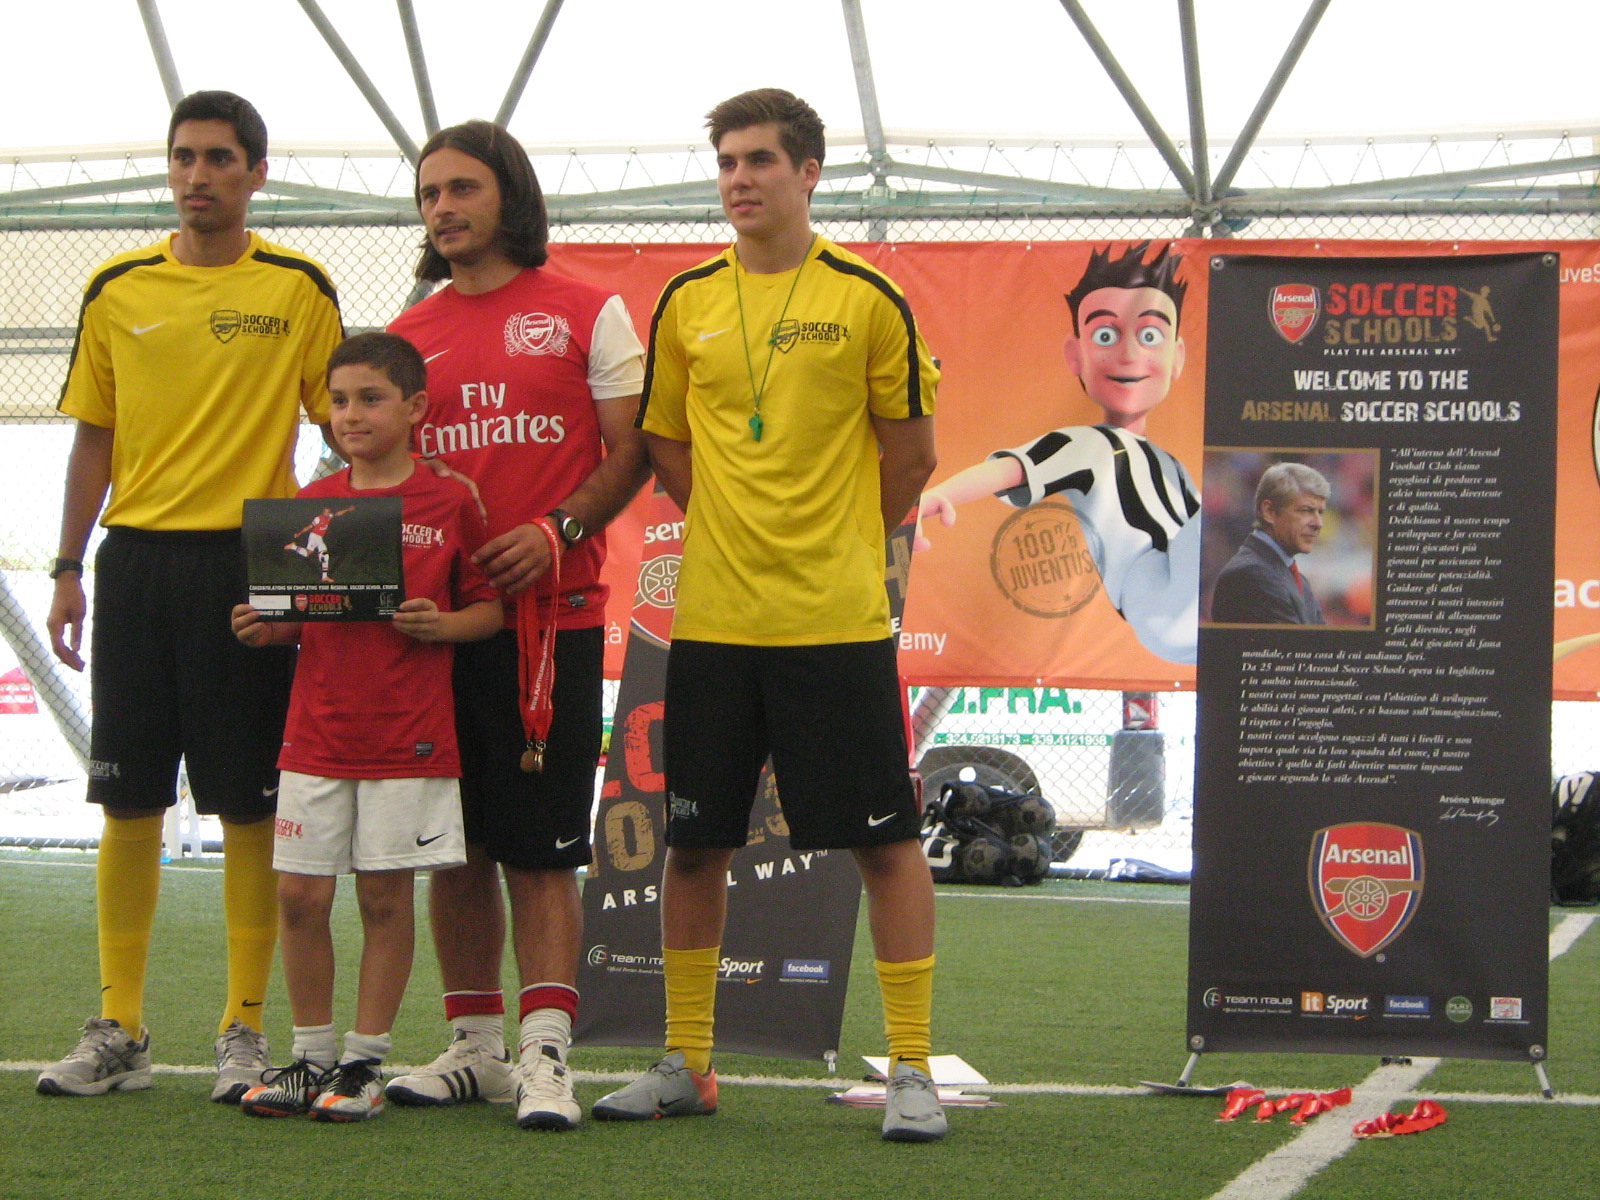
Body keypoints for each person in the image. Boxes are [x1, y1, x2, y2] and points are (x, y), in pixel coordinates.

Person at [590, 88, 947, 1143]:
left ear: (808, 172)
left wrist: (833, 541)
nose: (739, 179)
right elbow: (663, 440)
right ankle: (687, 1065)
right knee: (693, 845)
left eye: (759, 160)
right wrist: (732, 524)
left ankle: (912, 1068)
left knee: (885, 845)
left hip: (835, 624)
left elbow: (913, 457)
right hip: (711, 623)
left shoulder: (868, 297)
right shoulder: (687, 299)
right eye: (727, 162)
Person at [38, 91, 343, 1103]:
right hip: (133, 565)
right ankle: (119, 1025)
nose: (197, 175)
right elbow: (93, 437)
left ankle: (242, 1028)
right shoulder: (116, 287)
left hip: (249, 567)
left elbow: (345, 428)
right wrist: (68, 566)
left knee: (250, 805)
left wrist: (327, 564)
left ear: (257, 172)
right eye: (183, 157)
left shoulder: (299, 287)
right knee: (127, 797)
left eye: (218, 157)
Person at [384, 120, 650, 1131]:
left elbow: (632, 451)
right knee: (452, 849)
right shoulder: (409, 334)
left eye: (462, 188)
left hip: (552, 628)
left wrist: (557, 529)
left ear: (510, 194)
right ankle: (475, 1048)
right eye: (428, 194)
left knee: (540, 856)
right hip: (436, 632)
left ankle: (546, 1058)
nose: (443, 209)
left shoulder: (586, 310)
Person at [230, 332, 502, 1121]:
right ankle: (309, 1058)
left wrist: (442, 626)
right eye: (340, 400)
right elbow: (299, 616)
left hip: (409, 740)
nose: (351, 415)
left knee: (385, 899)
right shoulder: (311, 503)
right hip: (315, 735)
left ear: (415, 407)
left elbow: (490, 610)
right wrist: (265, 626)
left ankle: (362, 1064)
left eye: (370, 399)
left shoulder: (449, 500)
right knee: (297, 897)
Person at [915, 242, 1200, 663]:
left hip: (1198, 607)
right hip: (1155, 597)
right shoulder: (1089, 445)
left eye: (1150, 336)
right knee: (1243, 509)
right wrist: (938, 496)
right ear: (1075, 355)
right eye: (1105, 335)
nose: (1129, 354)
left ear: (1177, 357)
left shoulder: (1173, 468)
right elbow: (1011, 469)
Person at [1210, 461, 1329, 625]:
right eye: (1306, 510)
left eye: (1320, 512)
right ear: (1269, 512)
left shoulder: (1297, 579)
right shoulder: (1251, 575)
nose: (1318, 523)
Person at [284, 505, 354, 582]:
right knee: (311, 554)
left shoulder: (330, 516)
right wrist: (299, 533)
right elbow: (309, 527)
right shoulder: (318, 518)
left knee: (321, 555)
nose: (327, 514)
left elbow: (338, 513)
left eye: (328, 512)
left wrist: (347, 509)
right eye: (325, 512)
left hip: (319, 538)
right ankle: (293, 546)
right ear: (323, 512)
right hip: (314, 537)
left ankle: (324, 577)